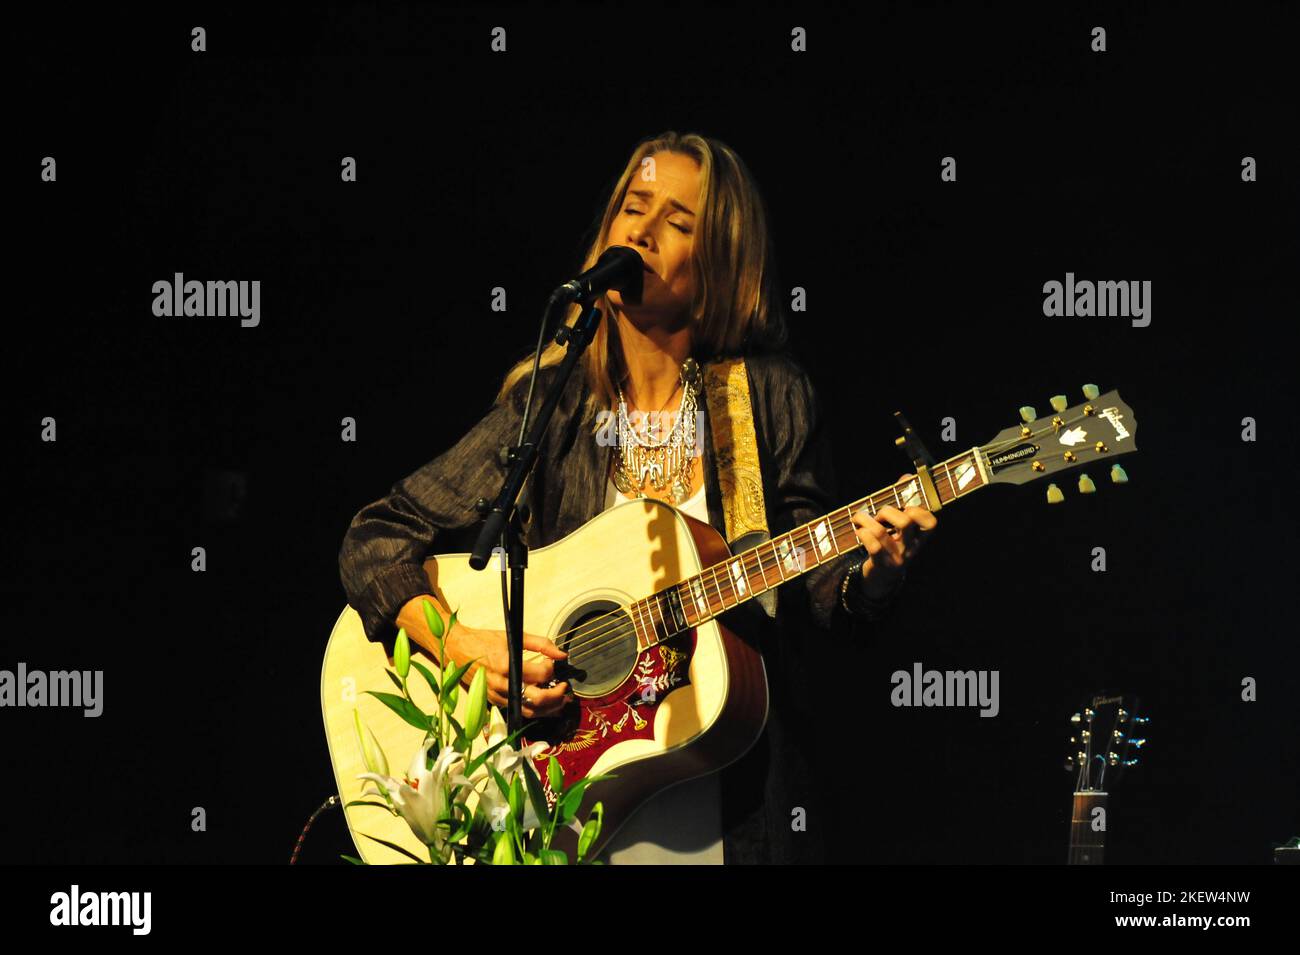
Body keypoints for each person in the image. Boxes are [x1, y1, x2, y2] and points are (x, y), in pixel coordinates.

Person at [338, 130, 937, 864]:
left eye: (678, 223)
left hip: (728, 815)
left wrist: (875, 574)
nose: (643, 232)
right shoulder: (553, 407)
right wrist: (465, 649)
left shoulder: (768, 398)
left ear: (720, 265)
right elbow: (376, 539)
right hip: (575, 824)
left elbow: (820, 591)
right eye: (634, 207)